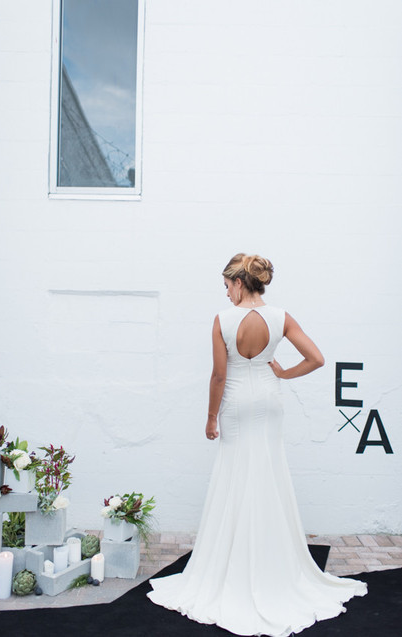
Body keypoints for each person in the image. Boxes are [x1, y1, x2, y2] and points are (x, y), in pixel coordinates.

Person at [147, 253, 367, 637]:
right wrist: (283, 372)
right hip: (268, 401)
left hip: (235, 404)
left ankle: (233, 562)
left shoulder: (222, 320)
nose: (226, 293)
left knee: (234, 474)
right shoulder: (281, 317)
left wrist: (211, 417)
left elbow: (219, 375)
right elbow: (316, 358)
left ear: (238, 282)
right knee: (268, 472)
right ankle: (273, 563)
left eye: (227, 285)